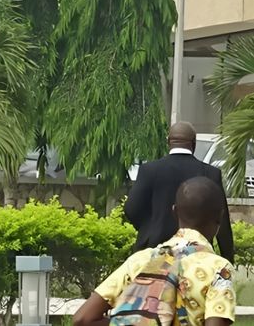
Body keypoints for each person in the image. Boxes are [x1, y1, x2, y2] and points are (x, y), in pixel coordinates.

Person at [73, 176, 235, 326]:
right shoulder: (219, 269)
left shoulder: (141, 260)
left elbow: (82, 318)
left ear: (174, 211)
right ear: (220, 217)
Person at [124, 121, 234, 263]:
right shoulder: (210, 173)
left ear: (168, 142)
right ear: (193, 144)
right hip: (197, 255)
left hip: (154, 253)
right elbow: (222, 220)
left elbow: (131, 209)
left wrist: (151, 228)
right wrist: (227, 257)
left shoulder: (149, 170)